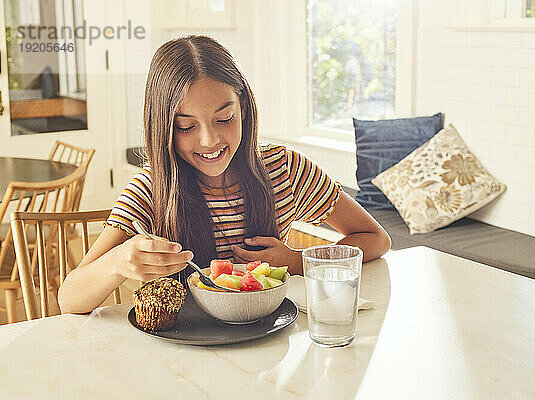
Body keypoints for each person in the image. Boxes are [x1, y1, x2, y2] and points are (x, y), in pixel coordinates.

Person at [58, 35, 391, 314]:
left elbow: (375, 238)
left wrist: (297, 260)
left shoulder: (285, 170)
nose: (209, 141)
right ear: (163, 128)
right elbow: (69, 298)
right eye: (186, 126)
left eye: (224, 118)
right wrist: (117, 262)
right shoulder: (151, 190)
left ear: (243, 107)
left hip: (270, 344)